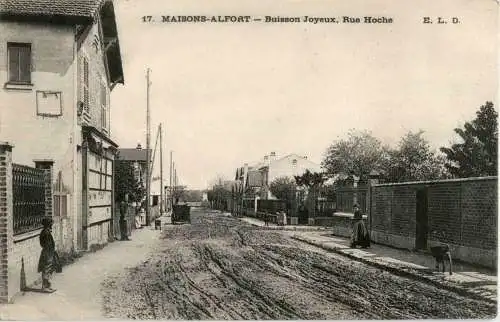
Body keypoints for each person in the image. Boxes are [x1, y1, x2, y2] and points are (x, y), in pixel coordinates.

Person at [37, 217, 60, 292]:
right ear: (47, 224)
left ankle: (47, 285)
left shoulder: (46, 231)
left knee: (49, 269)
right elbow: (45, 244)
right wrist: (50, 251)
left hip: (49, 252)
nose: (51, 225)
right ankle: (44, 287)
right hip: (47, 253)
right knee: (46, 269)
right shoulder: (45, 232)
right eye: (50, 224)